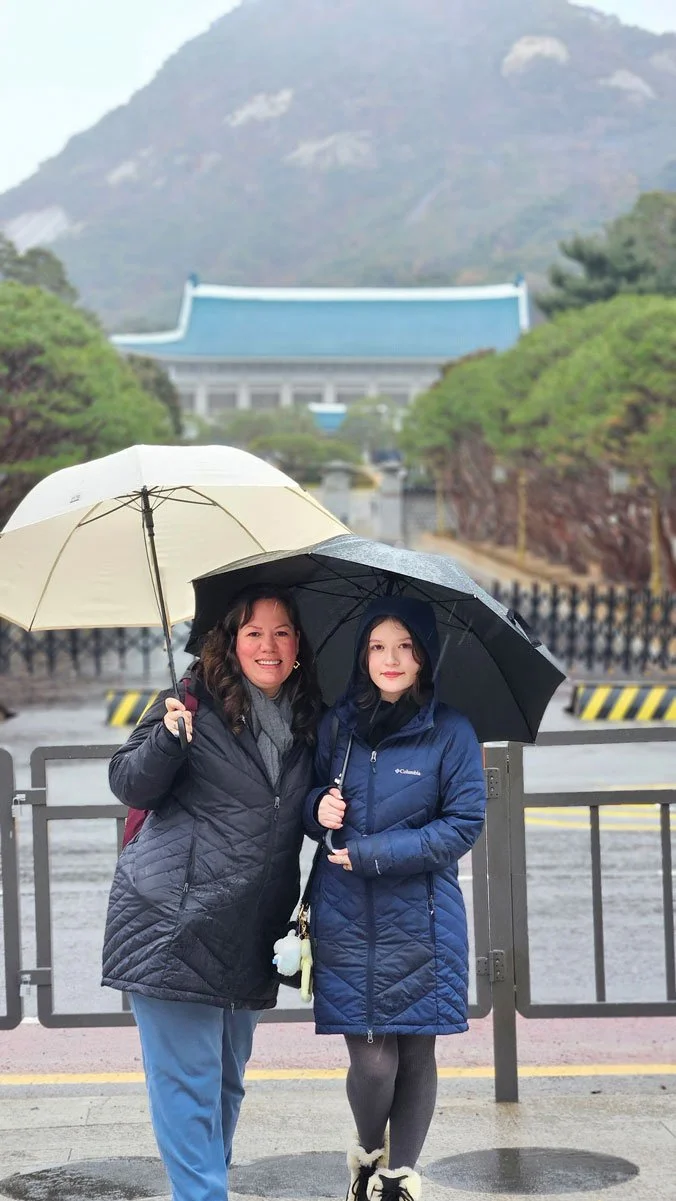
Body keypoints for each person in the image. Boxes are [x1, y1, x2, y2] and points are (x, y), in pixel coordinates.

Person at [102, 585, 321, 1201]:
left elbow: (297, 811)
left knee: (225, 1083)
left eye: (281, 632)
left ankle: (203, 1190)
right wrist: (169, 735)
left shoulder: (310, 718)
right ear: (230, 641)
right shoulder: (190, 696)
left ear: (299, 644)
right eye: (253, 632)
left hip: (250, 929)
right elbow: (129, 783)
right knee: (189, 1084)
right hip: (175, 921)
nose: (268, 646)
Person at [303, 597, 486, 1201]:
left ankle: (398, 1179)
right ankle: (367, 1153)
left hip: (424, 919)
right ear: (363, 655)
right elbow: (308, 805)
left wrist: (377, 852)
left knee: (415, 1053)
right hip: (346, 916)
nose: (391, 659)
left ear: (424, 657)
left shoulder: (451, 731)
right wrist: (317, 810)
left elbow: (462, 824)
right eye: (379, 646)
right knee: (374, 1063)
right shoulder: (337, 727)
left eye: (405, 646)